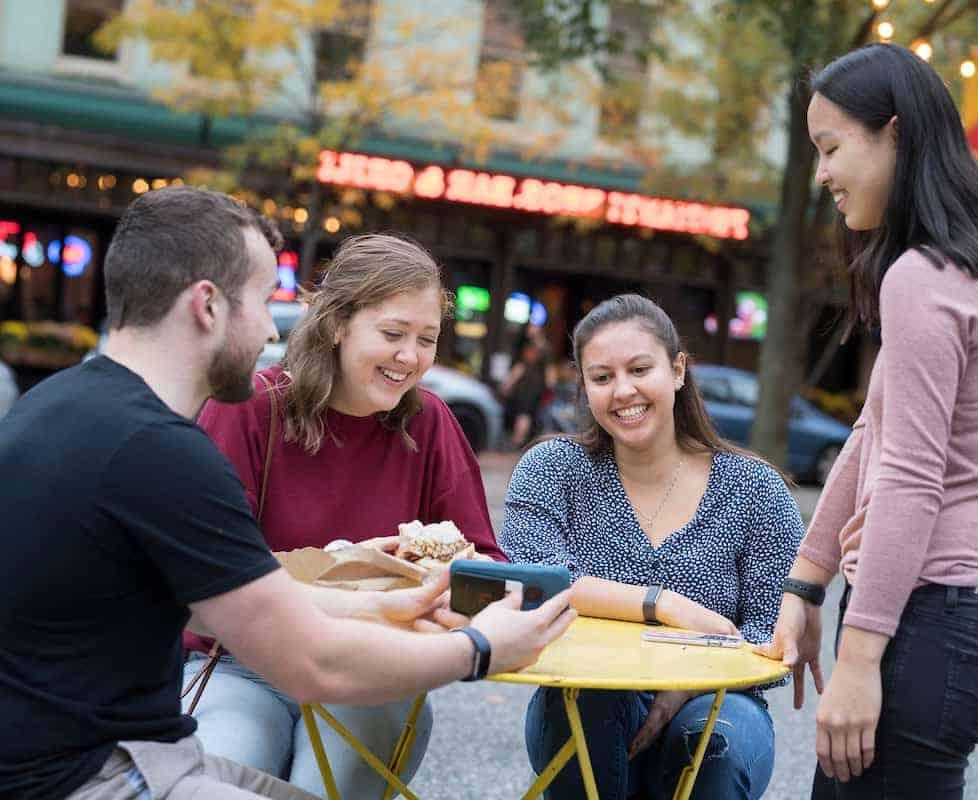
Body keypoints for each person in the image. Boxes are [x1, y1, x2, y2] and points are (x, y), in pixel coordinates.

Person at [0, 186, 575, 800]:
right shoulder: (164, 447)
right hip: (90, 775)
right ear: (208, 307)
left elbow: (205, 599)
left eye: (426, 338)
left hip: (108, 753)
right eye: (261, 300)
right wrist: (480, 650)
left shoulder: (56, 407)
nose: (272, 327)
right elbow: (308, 658)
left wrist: (384, 603)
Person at [756, 43, 978, 799]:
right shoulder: (974, 272)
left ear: (895, 135)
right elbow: (870, 438)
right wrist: (807, 585)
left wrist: (857, 660)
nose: (821, 174)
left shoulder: (923, 279)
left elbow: (913, 477)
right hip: (952, 629)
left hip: (927, 625)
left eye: (831, 148)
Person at [186, 232, 505, 797]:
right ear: (336, 324)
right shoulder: (250, 409)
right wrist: (349, 566)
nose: (410, 357)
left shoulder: (429, 423)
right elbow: (201, 573)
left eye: (426, 339)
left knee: (328, 784)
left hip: (375, 667)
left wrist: (435, 576)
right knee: (225, 773)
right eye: (392, 334)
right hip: (241, 661)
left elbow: (486, 573)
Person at [501, 294, 805, 800]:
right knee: (585, 709)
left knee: (713, 746)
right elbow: (536, 581)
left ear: (678, 370)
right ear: (585, 387)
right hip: (584, 690)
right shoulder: (552, 470)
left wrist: (685, 686)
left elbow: (774, 630)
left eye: (640, 369)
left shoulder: (756, 489)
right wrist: (663, 604)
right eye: (601, 378)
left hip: (717, 698)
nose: (623, 391)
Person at [500, 337, 547, 448]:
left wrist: (505, 389)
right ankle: (519, 441)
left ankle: (516, 441)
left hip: (524, 398)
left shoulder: (523, 366)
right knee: (526, 417)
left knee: (523, 417)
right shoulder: (541, 369)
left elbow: (510, 382)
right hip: (534, 398)